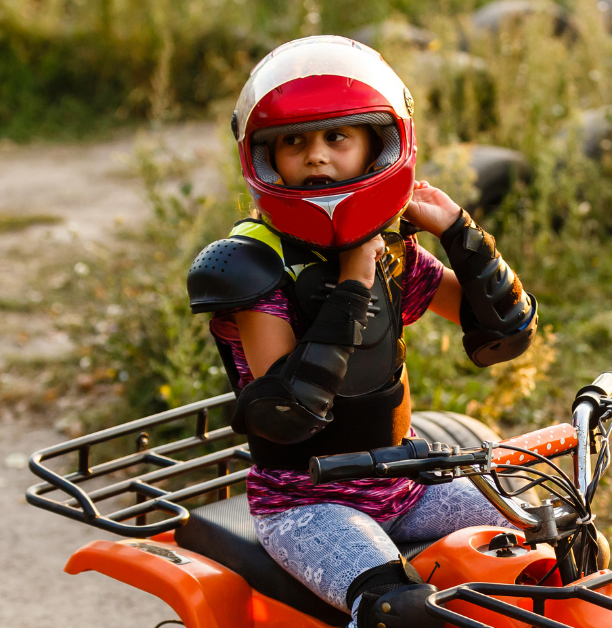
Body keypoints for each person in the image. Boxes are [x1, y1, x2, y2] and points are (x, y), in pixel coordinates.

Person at [186, 36, 538, 628]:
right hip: (306, 503)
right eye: (294, 142)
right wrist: (351, 285)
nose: (317, 156)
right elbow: (286, 411)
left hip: (405, 484)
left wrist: (458, 229)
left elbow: (501, 330)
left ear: (381, 143)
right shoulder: (257, 267)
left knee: (547, 543)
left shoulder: (394, 251)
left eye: (337, 137)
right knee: (397, 613)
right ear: (264, 156)